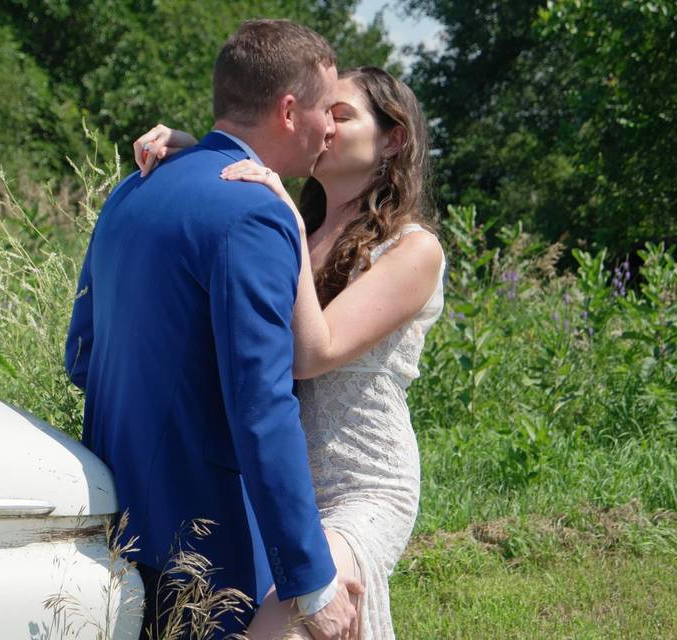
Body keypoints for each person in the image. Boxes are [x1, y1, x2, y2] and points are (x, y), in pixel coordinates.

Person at [65, 19, 364, 640]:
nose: (330, 129)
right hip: (212, 533)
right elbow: (261, 406)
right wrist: (312, 581)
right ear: (288, 110)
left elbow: (81, 355)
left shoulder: (132, 189)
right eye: (326, 111)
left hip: (116, 513)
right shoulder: (253, 211)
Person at [133, 66, 444, 640]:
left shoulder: (413, 249)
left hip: (365, 482)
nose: (326, 126)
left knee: (285, 625)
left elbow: (313, 352)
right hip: (289, 489)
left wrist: (287, 221)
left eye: (343, 115)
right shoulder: (303, 227)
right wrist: (196, 156)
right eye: (323, 113)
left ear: (393, 139)